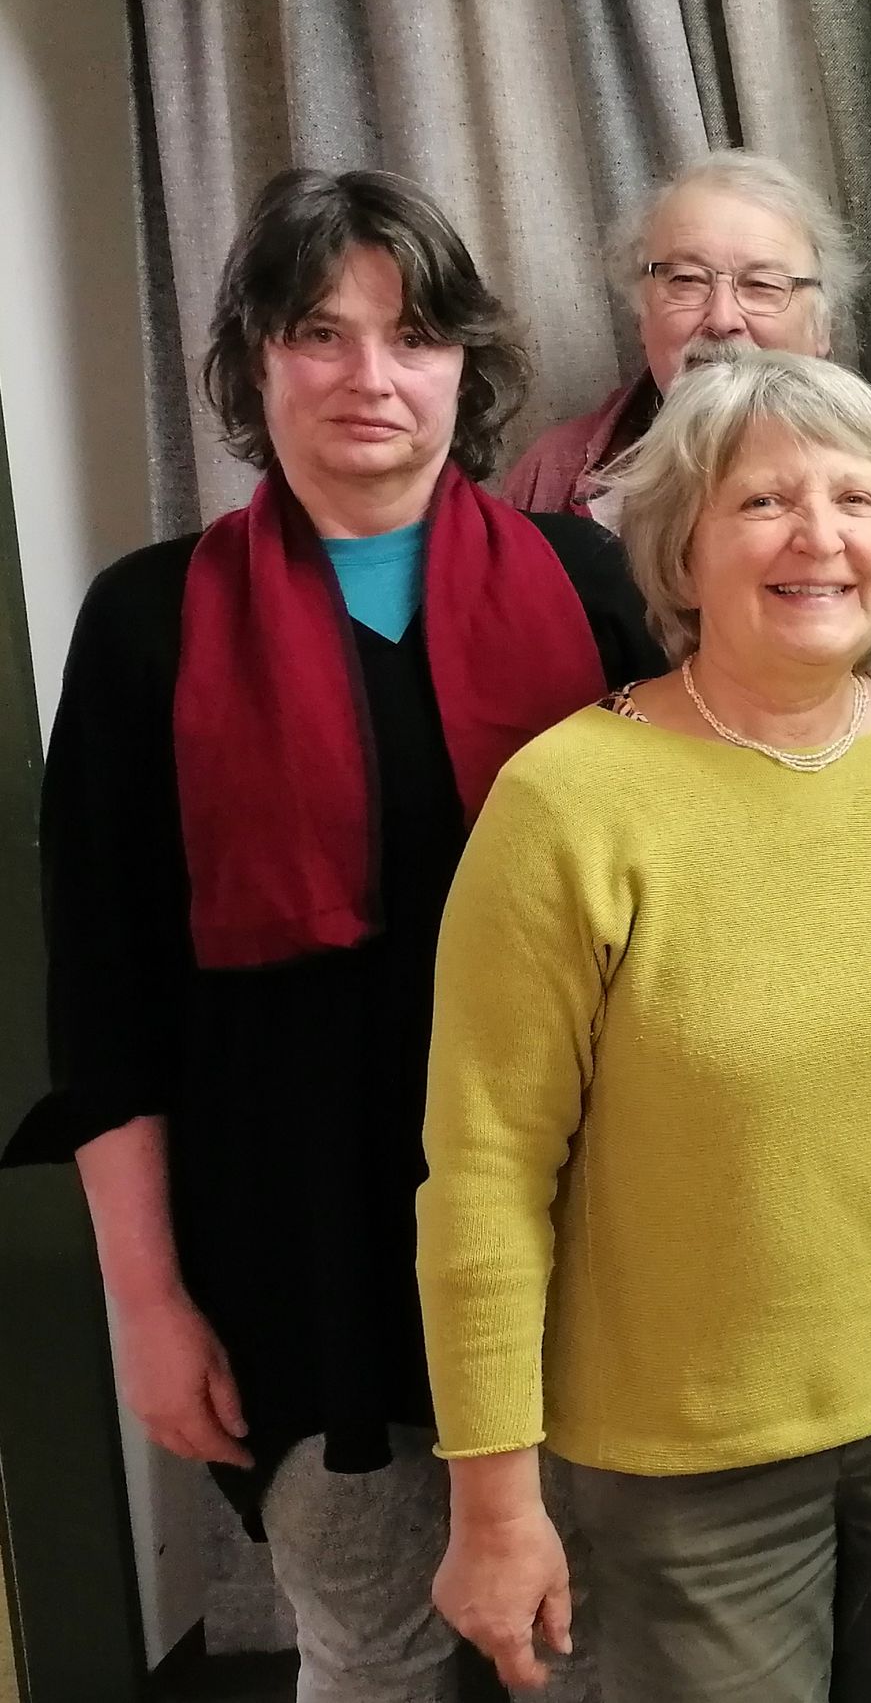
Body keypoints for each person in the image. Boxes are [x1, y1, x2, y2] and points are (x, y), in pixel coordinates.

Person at [4, 168, 660, 1700]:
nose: (371, 374)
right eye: (319, 332)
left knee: (600, 1658)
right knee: (370, 1655)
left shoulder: (593, 591)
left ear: (464, 367)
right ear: (255, 362)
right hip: (301, 1266)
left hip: (589, 1244)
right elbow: (105, 1008)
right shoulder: (149, 624)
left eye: (413, 334)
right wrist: (150, 1306)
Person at [419, 350, 871, 1703]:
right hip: (688, 1466)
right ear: (681, 549)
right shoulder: (567, 803)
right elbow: (486, 1174)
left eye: (856, 499)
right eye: (763, 502)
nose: (819, 537)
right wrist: (494, 1501)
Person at [500, 150, 852, 525]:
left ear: (822, 327)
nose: (722, 319)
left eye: (762, 285)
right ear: (641, 315)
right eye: (686, 280)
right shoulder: (552, 477)